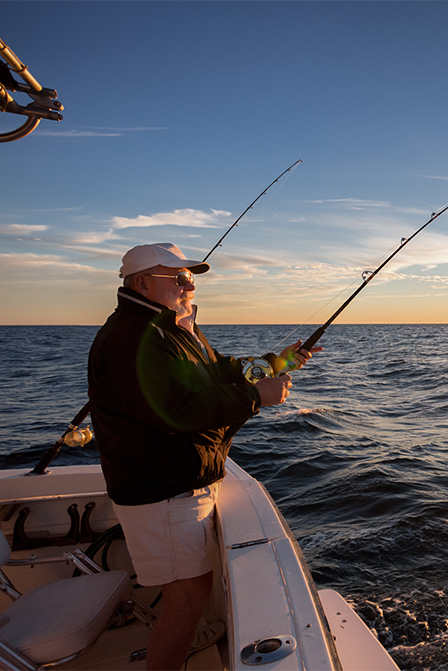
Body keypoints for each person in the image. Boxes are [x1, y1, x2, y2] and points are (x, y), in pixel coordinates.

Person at [87, 242, 320, 670]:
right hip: (164, 493)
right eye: (178, 278)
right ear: (142, 283)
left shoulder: (170, 330)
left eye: (191, 278)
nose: (189, 286)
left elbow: (217, 372)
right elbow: (177, 412)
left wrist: (277, 361)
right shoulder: (132, 337)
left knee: (191, 593)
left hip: (180, 484)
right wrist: (256, 396)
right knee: (187, 598)